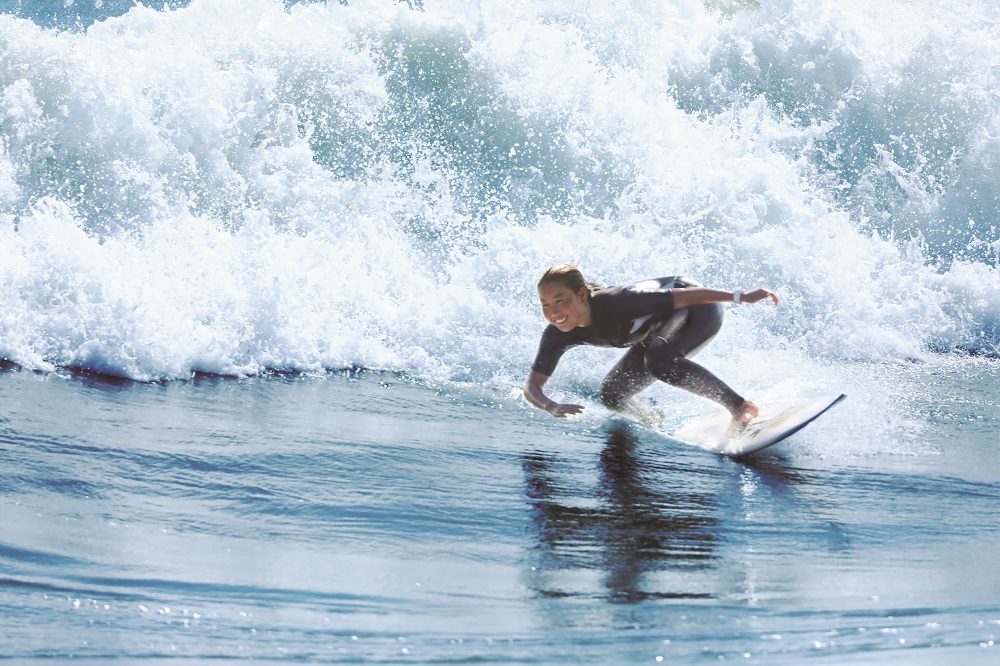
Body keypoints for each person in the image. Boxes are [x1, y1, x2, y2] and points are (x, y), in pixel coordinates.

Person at [523, 264, 779, 428]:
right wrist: (550, 405)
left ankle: (742, 407)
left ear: (580, 296)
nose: (553, 311)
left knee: (659, 360)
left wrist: (741, 297)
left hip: (698, 307)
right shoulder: (557, 335)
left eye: (560, 301)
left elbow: (685, 296)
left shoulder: (619, 302)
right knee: (612, 393)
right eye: (545, 304)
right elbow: (533, 386)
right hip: (659, 329)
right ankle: (653, 423)